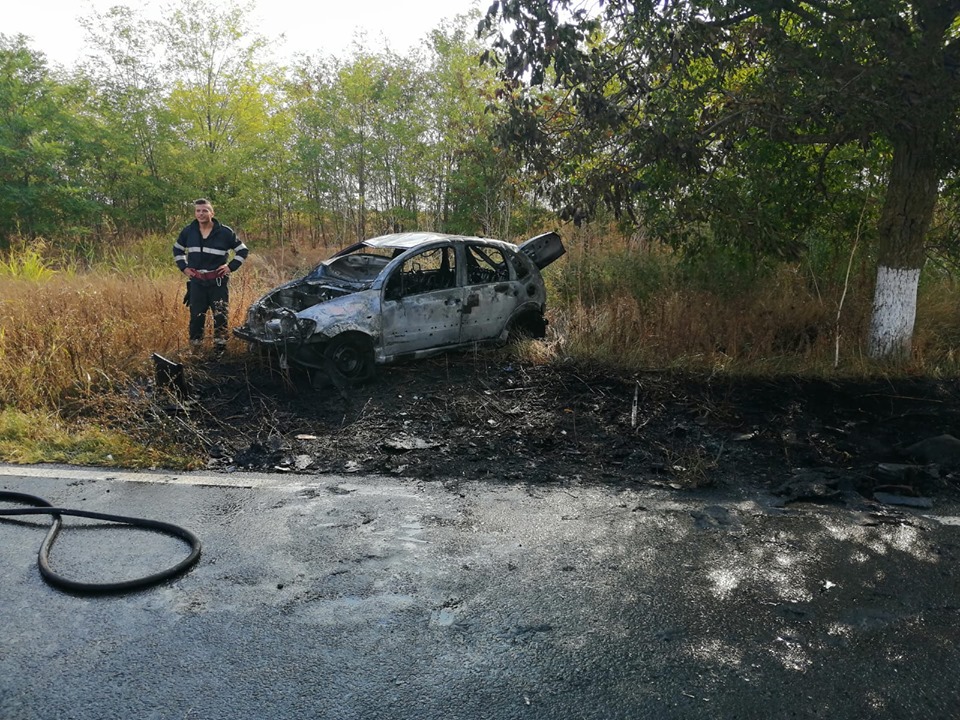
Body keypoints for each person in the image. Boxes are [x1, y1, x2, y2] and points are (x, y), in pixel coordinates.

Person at [173, 198, 249, 354]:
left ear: (212, 213)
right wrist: (184, 267)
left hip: (218, 283)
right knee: (196, 317)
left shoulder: (225, 232)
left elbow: (243, 251)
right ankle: (196, 350)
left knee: (220, 316)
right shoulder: (189, 231)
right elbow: (177, 249)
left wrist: (230, 267)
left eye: (205, 210)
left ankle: (220, 350)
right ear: (195, 213)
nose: (201, 214)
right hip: (197, 283)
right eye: (198, 211)